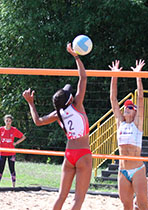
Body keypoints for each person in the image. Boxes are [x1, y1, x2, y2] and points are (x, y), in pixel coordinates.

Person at [22, 43, 92, 210]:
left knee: (61, 196)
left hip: (69, 155)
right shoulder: (77, 105)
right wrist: (76, 56)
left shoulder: (58, 113)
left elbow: (38, 121)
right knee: (78, 200)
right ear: (69, 99)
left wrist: (31, 103)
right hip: (82, 154)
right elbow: (83, 77)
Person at [109, 59, 148, 210]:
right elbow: (113, 99)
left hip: (137, 169)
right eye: (126, 106)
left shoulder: (137, 123)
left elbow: (140, 98)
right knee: (126, 205)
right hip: (123, 169)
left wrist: (138, 75)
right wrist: (114, 75)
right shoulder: (120, 122)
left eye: (130, 107)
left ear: (135, 111)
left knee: (143, 203)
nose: (127, 108)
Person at [0, 114, 26, 187]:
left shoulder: (14, 130)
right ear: (4, 121)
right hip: (2, 153)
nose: (8, 122)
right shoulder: (1, 129)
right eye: (6, 121)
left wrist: (16, 143)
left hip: (11, 153)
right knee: (0, 170)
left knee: (12, 169)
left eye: (9, 121)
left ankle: (13, 186)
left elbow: (23, 137)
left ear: (11, 122)